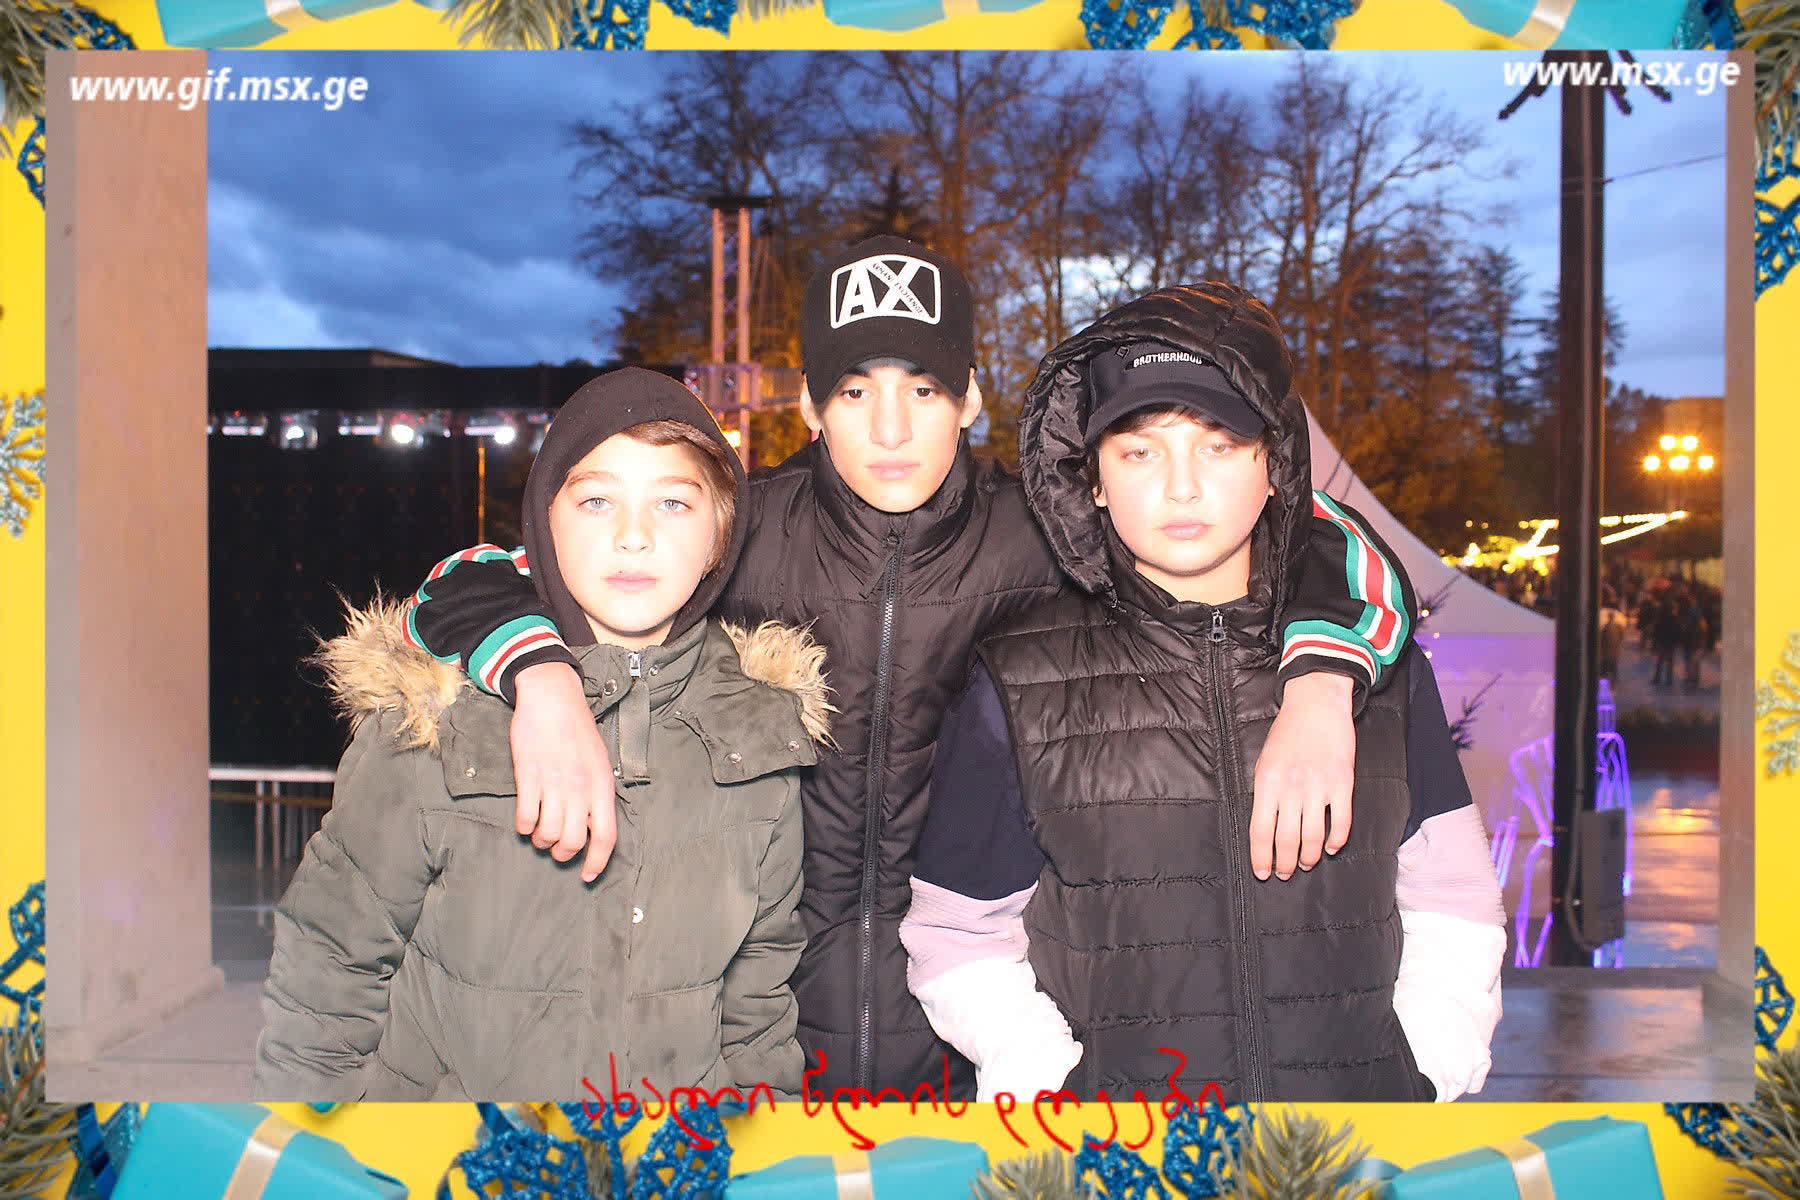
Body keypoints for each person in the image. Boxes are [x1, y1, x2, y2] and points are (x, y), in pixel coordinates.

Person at [397, 237, 1420, 1097]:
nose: (890, 429)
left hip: (972, 1043)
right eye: (856, 390)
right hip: (762, 1038)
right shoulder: (745, 535)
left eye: (923, 389)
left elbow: (1301, 528)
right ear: (810, 405)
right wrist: (543, 682)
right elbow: (479, 576)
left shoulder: (1043, 534)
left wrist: (1323, 684)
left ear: (969, 397)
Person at [900, 286, 1506, 1103]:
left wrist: (1426, 1064)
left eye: (1218, 446)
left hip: (1351, 1144)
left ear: (1273, 466)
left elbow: (1454, 899)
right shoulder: (1019, 678)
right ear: (1095, 479)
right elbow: (957, 933)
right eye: (1140, 453)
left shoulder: (1376, 669)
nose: (1181, 487)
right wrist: (1054, 1085)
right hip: (1118, 1149)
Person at [254, 368, 827, 1101]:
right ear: (543, 526)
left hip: (673, 1152)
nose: (634, 537)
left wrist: (762, 1138)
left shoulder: (759, 735)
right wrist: (312, 1145)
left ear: (721, 536)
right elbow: (330, 964)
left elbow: (758, 1003)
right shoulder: (437, 723)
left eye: (673, 503)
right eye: (596, 501)